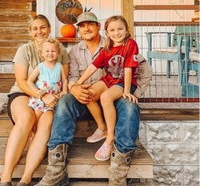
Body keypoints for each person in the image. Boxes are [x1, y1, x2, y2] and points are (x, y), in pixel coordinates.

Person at [36, 12, 151, 186]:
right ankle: (56, 170)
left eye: (90, 24)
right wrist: (75, 89)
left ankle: (118, 173)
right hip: (88, 97)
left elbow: (143, 68)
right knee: (65, 102)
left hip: (114, 95)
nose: (86, 28)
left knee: (130, 106)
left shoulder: (115, 43)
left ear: (98, 27)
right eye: (82, 26)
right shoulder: (74, 51)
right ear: (78, 31)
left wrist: (134, 93)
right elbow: (73, 77)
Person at [0, 15, 70, 186]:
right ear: (30, 32)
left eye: (43, 27)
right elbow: (22, 81)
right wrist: (40, 95)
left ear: (49, 28)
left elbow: (64, 80)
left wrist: (52, 98)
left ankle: (26, 178)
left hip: (50, 100)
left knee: (46, 122)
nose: (40, 31)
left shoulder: (61, 52)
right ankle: (6, 177)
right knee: (26, 118)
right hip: (23, 94)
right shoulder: (25, 50)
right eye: (35, 28)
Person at [74, 15, 139, 161]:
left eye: (120, 29)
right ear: (107, 32)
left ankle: (110, 139)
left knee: (106, 97)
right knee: (86, 94)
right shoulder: (107, 48)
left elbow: (128, 69)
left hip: (123, 82)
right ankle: (102, 127)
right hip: (108, 80)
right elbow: (92, 67)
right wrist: (78, 83)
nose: (117, 33)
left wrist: (127, 91)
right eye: (112, 30)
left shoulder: (130, 44)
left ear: (127, 30)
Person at [27, 38, 68, 114]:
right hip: (41, 97)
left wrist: (64, 91)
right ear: (42, 53)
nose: (50, 53)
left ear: (58, 53)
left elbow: (64, 80)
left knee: (50, 114)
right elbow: (29, 81)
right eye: (47, 51)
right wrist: (37, 91)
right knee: (38, 114)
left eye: (53, 51)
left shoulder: (59, 66)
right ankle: (34, 126)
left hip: (53, 98)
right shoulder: (40, 66)